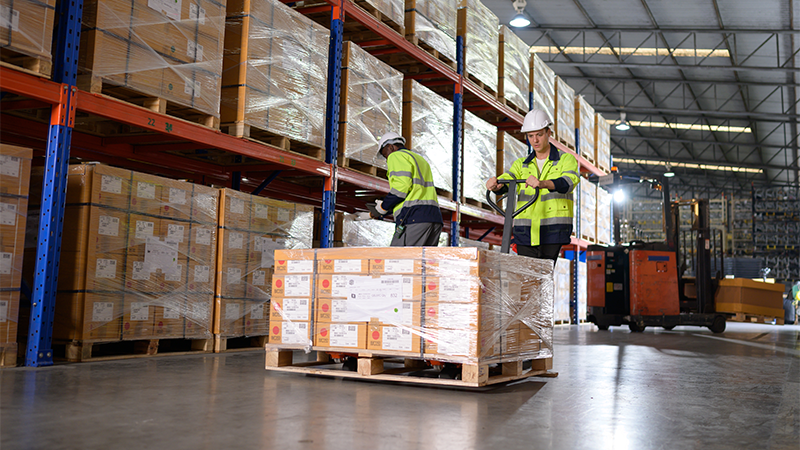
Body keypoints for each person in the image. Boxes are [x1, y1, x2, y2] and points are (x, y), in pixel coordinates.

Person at [486, 109, 580, 262]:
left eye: (539, 135)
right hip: (525, 231)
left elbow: (568, 182)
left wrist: (543, 184)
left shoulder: (565, 160)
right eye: (530, 136)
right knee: (527, 279)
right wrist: (496, 184)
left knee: (543, 278)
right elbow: (508, 179)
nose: (535, 140)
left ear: (549, 133)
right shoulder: (521, 164)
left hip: (553, 230)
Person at [370, 132, 443, 247]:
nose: (386, 159)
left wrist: (383, 207)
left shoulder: (396, 156)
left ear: (391, 147)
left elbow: (401, 188)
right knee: (422, 262)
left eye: (385, 155)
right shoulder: (420, 159)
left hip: (414, 218)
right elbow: (414, 192)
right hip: (434, 219)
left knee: (398, 261)